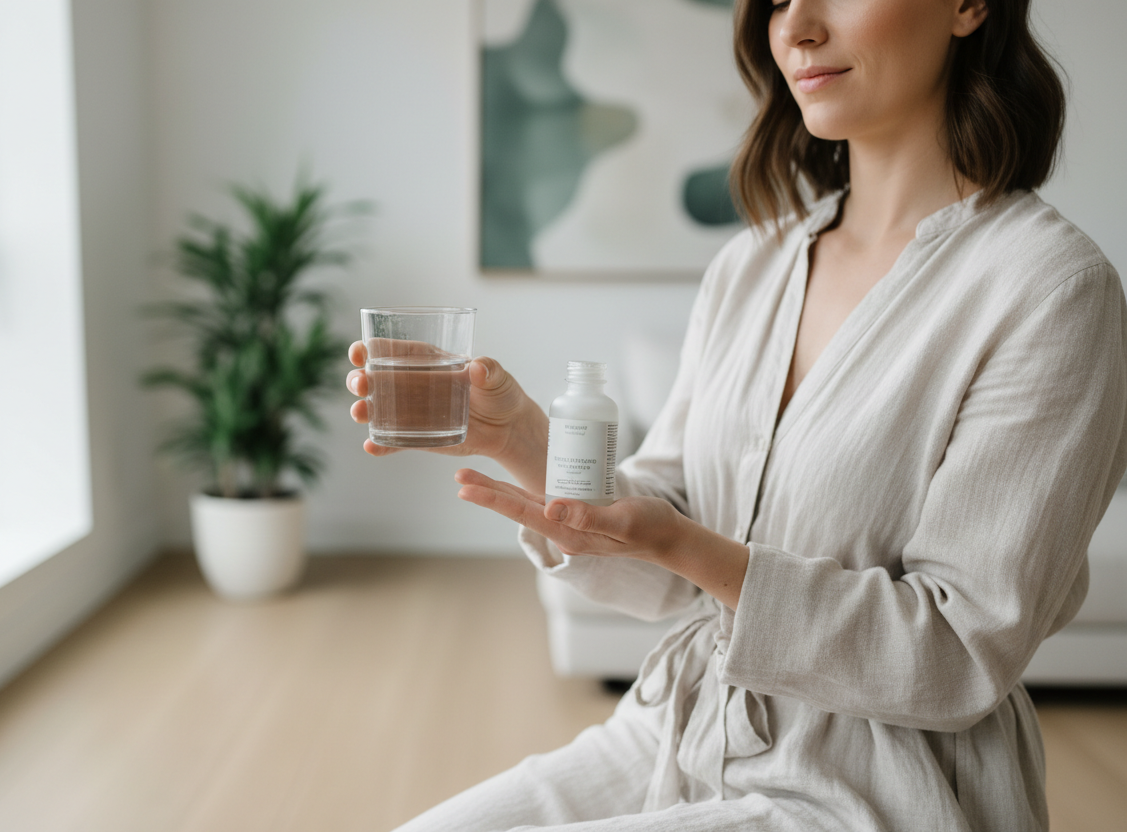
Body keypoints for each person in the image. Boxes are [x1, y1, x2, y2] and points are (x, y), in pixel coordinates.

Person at [346, 0, 1127, 828]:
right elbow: (660, 564)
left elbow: (957, 655)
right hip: (679, 729)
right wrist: (528, 442)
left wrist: (685, 545)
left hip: (877, 788)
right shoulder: (750, 266)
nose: (795, 28)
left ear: (970, 5)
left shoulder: (1049, 289)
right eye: (779, 0)